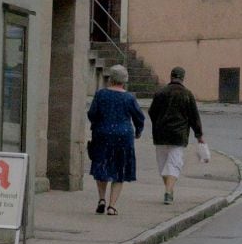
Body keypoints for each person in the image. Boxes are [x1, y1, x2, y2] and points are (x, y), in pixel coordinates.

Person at [84, 74, 144, 216]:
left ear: (110, 79)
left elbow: (92, 114)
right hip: (123, 136)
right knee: (119, 170)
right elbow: (139, 117)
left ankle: (101, 199)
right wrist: (138, 131)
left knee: (102, 164)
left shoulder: (101, 94)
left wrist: (97, 123)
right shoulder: (129, 98)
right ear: (124, 81)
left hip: (102, 134)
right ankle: (112, 206)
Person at [149, 67, 202, 203]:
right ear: (183, 78)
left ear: (171, 76)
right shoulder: (187, 94)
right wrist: (199, 134)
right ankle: (168, 191)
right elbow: (194, 117)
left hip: (160, 134)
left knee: (163, 165)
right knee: (174, 163)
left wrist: (158, 124)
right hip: (178, 135)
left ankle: (169, 190)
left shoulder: (160, 92)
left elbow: (151, 112)